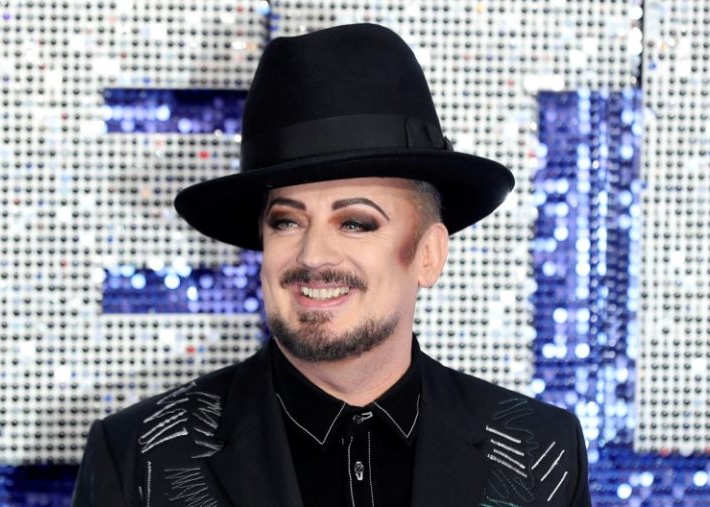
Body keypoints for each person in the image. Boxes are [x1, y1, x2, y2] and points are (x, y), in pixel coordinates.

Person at [72, 23, 591, 507]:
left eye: (356, 223)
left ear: (428, 255)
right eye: (286, 222)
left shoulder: (541, 455)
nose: (313, 256)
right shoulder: (138, 459)